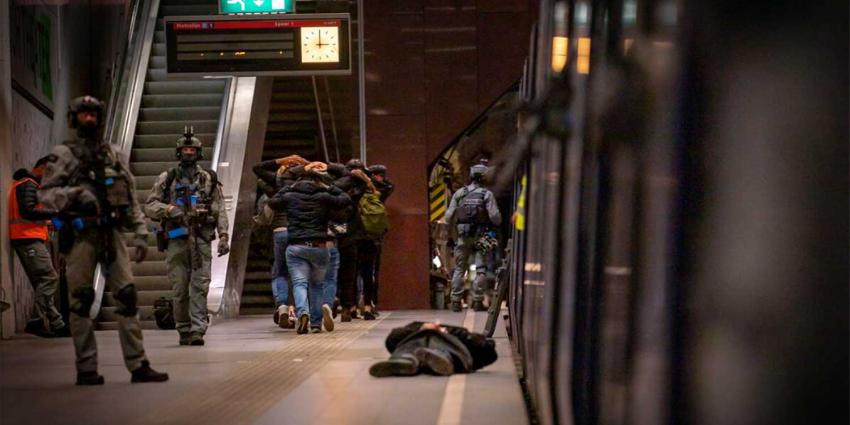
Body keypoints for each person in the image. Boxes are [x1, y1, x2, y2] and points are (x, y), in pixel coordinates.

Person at [38, 95, 168, 385]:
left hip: (113, 234)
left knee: (127, 296)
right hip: (82, 235)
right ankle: (86, 368)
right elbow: (44, 195)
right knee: (81, 302)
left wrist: (140, 231)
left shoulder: (114, 154)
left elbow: (129, 193)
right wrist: (73, 196)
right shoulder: (64, 155)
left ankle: (138, 364)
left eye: (93, 114)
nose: (89, 119)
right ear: (74, 118)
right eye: (83, 114)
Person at [143, 128, 229, 346]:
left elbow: (219, 208)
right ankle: (183, 328)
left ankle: (198, 329)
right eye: (185, 149)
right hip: (176, 239)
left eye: (192, 149)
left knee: (200, 286)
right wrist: (169, 209)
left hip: (200, 239)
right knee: (180, 288)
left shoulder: (208, 178)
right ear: (178, 152)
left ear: (198, 152)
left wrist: (224, 235)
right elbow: (150, 205)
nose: (188, 153)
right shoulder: (168, 178)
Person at [268, 162, 350, 334]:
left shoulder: (290, 196)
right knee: (317, 285)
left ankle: (302, 312)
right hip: (319, 246)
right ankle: (315, 323)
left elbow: (273, 202)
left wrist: (288, 187)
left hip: (296, 246)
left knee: (299, 283)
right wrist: (329, 186)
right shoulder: (323, 196)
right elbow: (345, 199)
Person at [9, 156, 68, 337]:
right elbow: (28, 210)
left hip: (29, 238)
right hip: (28, 239)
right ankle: (36, 320)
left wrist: (49, 221)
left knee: (42, 282)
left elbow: (29, 213)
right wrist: (55, 212)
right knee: (49, 278)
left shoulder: (30, 185)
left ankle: (57, 324)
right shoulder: (28, 184)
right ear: (42, 167)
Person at [253, 154, 308, 328]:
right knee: (299, 274)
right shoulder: (308, 183)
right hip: (300, 232)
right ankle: (298, 310)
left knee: (280, 272)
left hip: (279, 231)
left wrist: (280, 162)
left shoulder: (277, 182)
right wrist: (307, 164)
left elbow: (257, 168)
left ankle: (283, 306)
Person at [444, 162, 502, 312]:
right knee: (481, 269)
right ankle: (477, 301)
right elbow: (495, 217)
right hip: (482, 236)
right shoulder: (486, 194)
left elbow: (448, 217)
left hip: (463, 236)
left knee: (459, 269)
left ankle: (455, 301)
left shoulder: (459, 193)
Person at [369, 321, 498, 377]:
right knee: (415, 346)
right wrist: (426, 328)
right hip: (418, 340)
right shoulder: (464, 336)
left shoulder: (466, 340)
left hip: (437, 345)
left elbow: (487, 352)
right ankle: (415, 360)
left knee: (415, 349)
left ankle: (406, 361)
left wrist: (445, 331)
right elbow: (394, 337)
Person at [328, 159, 372, 321]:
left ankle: (331, 300)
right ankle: (347, 307)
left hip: (330, 234)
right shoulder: (358, 190)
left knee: (330, 273)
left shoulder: (332, 186)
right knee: (348, 273)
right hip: (350, 235)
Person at [358, 164, 394, 315]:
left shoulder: (357, 191)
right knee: (371, 271)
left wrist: (365, 178)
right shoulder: (380, 193)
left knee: (355, 271)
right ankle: (370, 303)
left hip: (357, 234)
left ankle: (354, 304)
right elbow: (391, 185)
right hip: (374, 236)